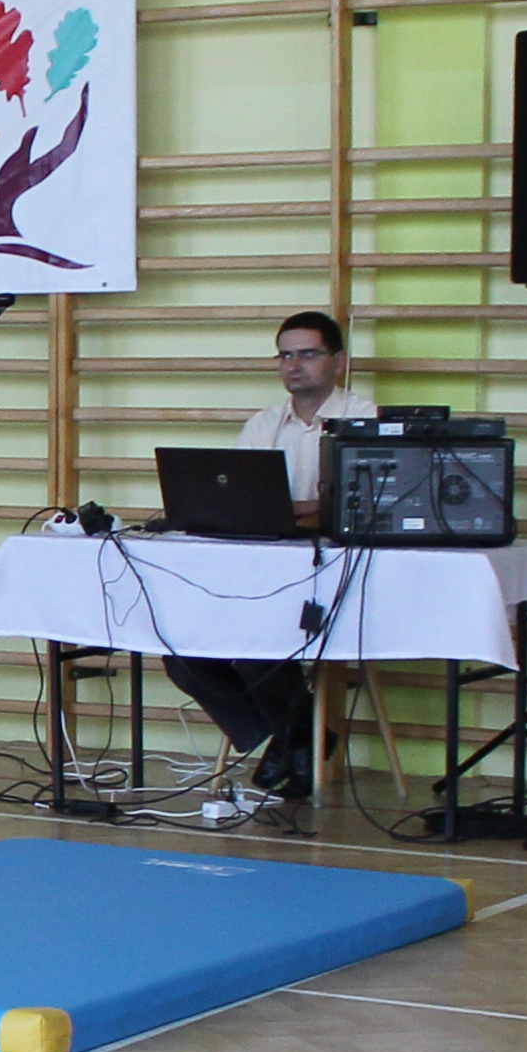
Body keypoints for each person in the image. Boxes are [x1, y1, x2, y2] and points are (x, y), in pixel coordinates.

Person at [161, 310, 376, 807]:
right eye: (285, 355)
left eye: (308, 354)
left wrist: (298, 509)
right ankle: (300, 735)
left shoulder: (366, 418)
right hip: (261, 569)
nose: (294, 365)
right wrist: (303, 508)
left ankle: (293, 740)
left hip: (333, 576)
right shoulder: (263, 423)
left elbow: (350, 508)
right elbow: (244, 501)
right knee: (182, 657)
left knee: (260, 649)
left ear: (338, 360)